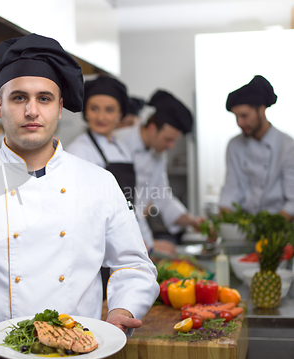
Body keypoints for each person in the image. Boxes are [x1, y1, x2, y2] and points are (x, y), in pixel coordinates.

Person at [0, 34, 159, 359]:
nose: (31, 110)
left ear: (59, 108)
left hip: (77, 356)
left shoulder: (98, 182)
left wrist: (122, 311)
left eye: (44, 98)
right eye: (18, 98)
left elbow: (133, 265)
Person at [66, 75, 155, 257]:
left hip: (124, 241)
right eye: (94, 109)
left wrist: (144, 239)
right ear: (86, 112)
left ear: (119, 114)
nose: (101, 117)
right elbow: (81, 211)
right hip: (98, 246)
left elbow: (131, 204)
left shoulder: (121, 148)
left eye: (109, 110)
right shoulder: (79, 150)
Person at [115, 90, 205, 253]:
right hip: (118, 233)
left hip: (137, 231)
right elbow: (123, 205)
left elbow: (162, 195)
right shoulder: (118, 143)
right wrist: (149, 244)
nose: (171, 146)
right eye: (168, 139)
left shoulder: (158, 154)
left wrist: (192, 221)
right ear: (151, 128)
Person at [219, 75, 294, 221]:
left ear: (261, 110)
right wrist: (224, 223)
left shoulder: (287, 146)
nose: (239, 123)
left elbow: (293, 200)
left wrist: (269, 229)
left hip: (277, 230)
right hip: (245, 227)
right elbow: (230, 190)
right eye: (236, 117)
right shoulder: (234, 145)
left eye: (244, 115)